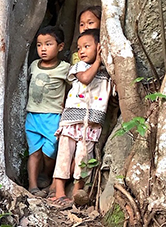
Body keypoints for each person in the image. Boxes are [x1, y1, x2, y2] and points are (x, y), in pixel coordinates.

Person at [50, 28, 111, 208]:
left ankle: (77, 191)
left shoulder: (107, 73)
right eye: (79, 48)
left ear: (100, 47)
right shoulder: (78, 67)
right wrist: (98, 60)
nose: (81, 51)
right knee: (64, 155)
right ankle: (59, 192)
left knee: (83, 157)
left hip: (91, 124)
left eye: (87, 46)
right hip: (71, 120)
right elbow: (85, 79)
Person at [25, 26, 70, 197]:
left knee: (49, 152)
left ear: (60, 47)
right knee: (34, 152)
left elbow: (74, 88)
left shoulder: (65, 68)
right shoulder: (33, 66)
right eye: (39, 45)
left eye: (48, 44)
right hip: (33, 115)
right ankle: (33, 186)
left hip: (53, 116)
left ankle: (47, 174)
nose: (43, 49)